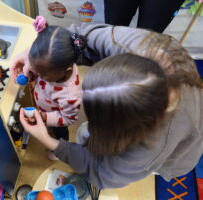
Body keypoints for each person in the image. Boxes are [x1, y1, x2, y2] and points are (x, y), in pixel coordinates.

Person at [12, 21, 203, 189]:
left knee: (91, 143)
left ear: (125, 131)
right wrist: (35, 54)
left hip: (172, 152)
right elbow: (77, 36)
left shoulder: (151, 147)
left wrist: (50, 141)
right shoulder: (135, 45)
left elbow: (102, 173)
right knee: (85, 136)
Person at [18, 16, 83, 160]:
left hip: (56, 116)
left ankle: (58, 150)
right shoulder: (55, 65)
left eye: (42, 74)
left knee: (60, 133)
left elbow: (68, 119)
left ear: (66, 71)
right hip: (44, 104)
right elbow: (40, 64)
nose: (39, 74)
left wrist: (44, 117)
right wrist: (31, 71)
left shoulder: (70, 96)